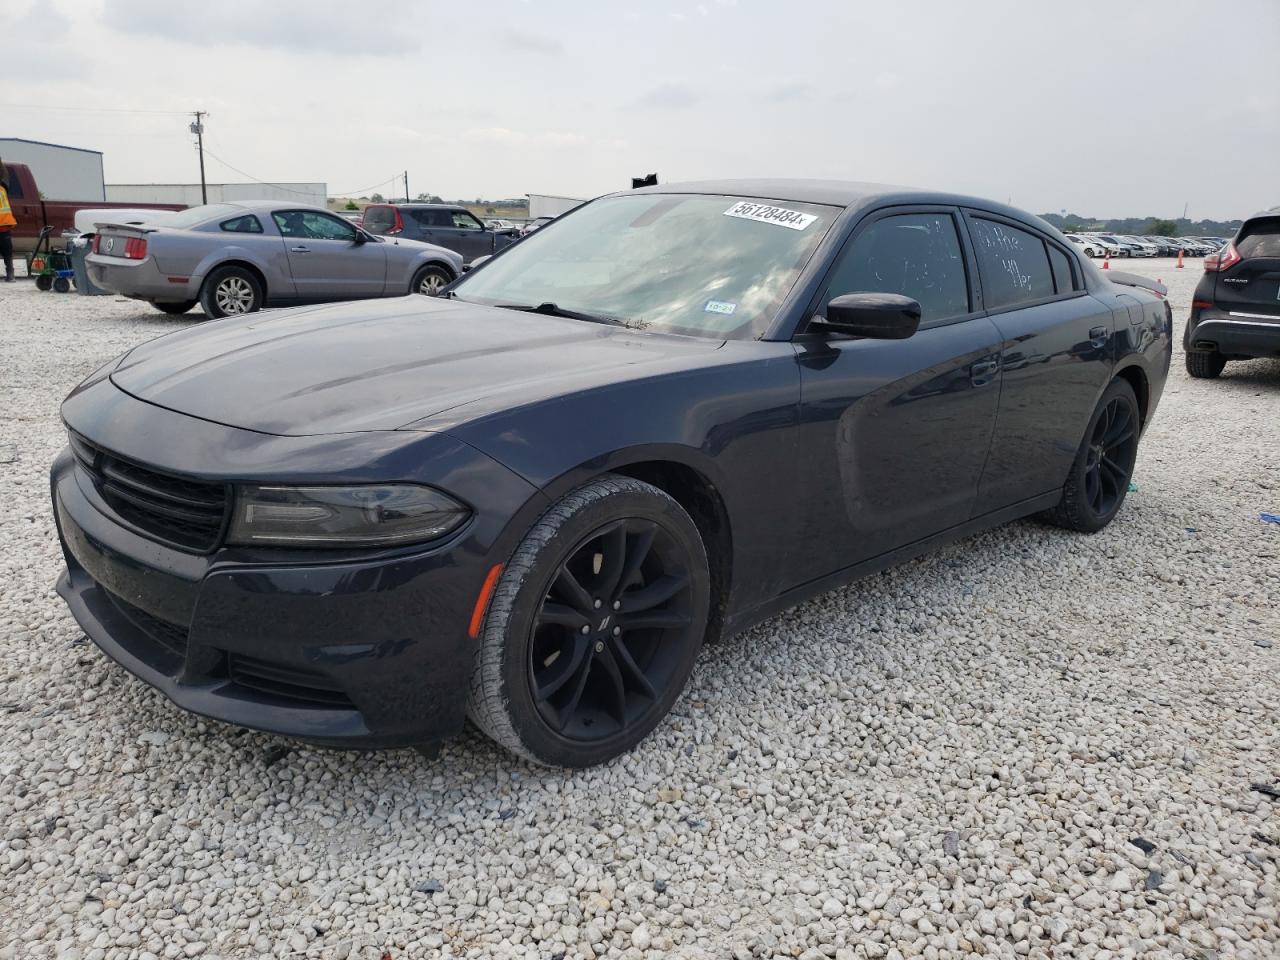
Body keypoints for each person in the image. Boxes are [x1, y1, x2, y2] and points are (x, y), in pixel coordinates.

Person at [0, 158, 16, 282]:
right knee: (7, 252)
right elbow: (5, 175)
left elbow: (4, 175)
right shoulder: (3, 187)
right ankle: (10, 274)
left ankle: (10, 274)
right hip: (4, 226)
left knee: (7, 252)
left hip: (3, 225)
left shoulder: (2, 187)